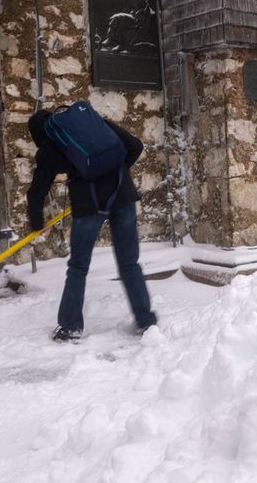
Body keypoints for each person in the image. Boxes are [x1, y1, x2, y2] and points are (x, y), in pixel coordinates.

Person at [26, 108, 157, 342]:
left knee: (78, 266)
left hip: (89, 205)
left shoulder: (49, 147)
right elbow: (135, 146)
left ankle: (70, 327)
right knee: (129, 263)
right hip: (122, 195)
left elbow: (36, 192)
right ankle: (146, 322)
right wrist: (115, 172)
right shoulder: (95, 124)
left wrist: (37, 223)